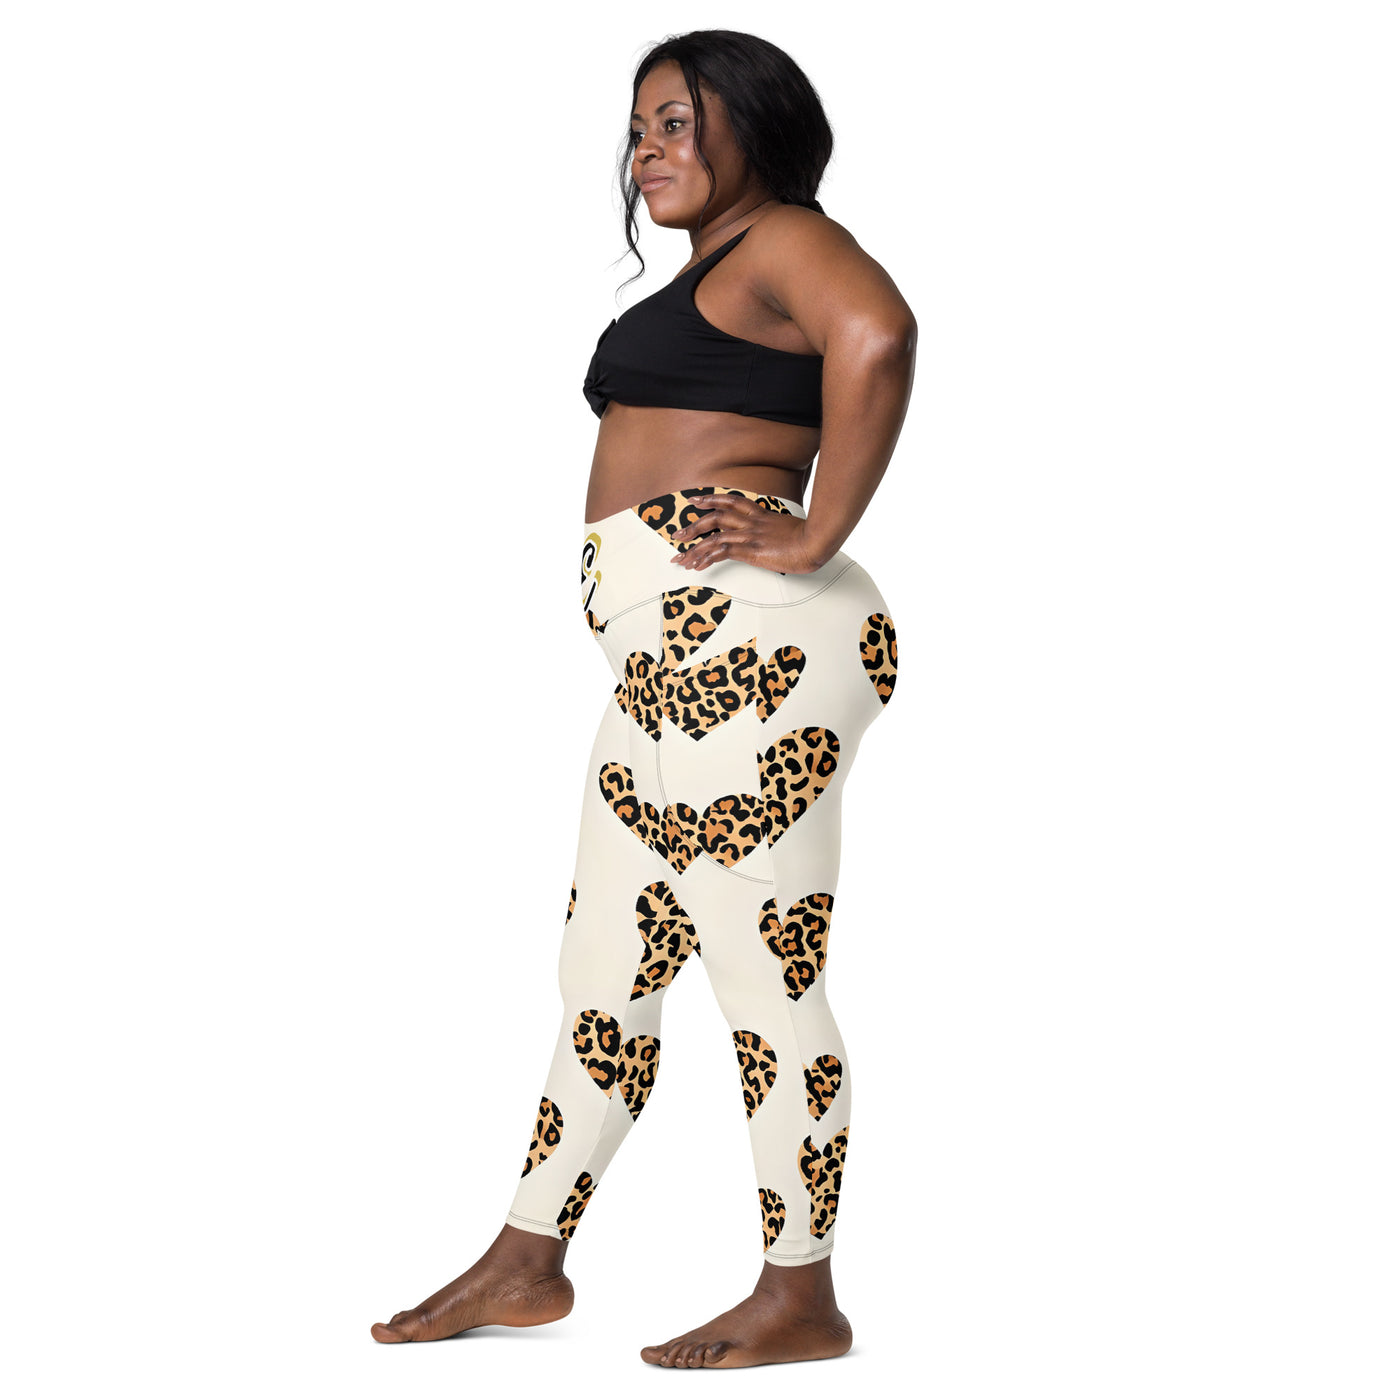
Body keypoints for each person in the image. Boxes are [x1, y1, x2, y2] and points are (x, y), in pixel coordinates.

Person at [371, 28, 916, 1369]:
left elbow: (880, 334)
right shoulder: (719, 267)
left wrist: (815, 529)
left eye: (678, 122)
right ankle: (527, 1257)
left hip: (750, 653)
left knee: (763, 974)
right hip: (671, 673)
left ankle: (801, 1292)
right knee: (604, 973)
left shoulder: (787, 238)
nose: (648, 151)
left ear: (756, 128)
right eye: (638, 129)